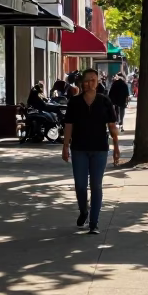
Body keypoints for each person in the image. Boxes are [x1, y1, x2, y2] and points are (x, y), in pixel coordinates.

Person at [62, 68, 120, 233]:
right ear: (81, 82)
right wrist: (65, 146)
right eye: (86, 80)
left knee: (96, 185)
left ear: (98, 81)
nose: (89, 83)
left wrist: (116, 147)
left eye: (93, 80)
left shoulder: (104, 101)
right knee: (80, 186)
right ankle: (83, 211)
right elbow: (69, 125)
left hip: (100, 149)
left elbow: (112, 126)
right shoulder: (74, 102)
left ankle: (94, 222)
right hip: (79, 149)